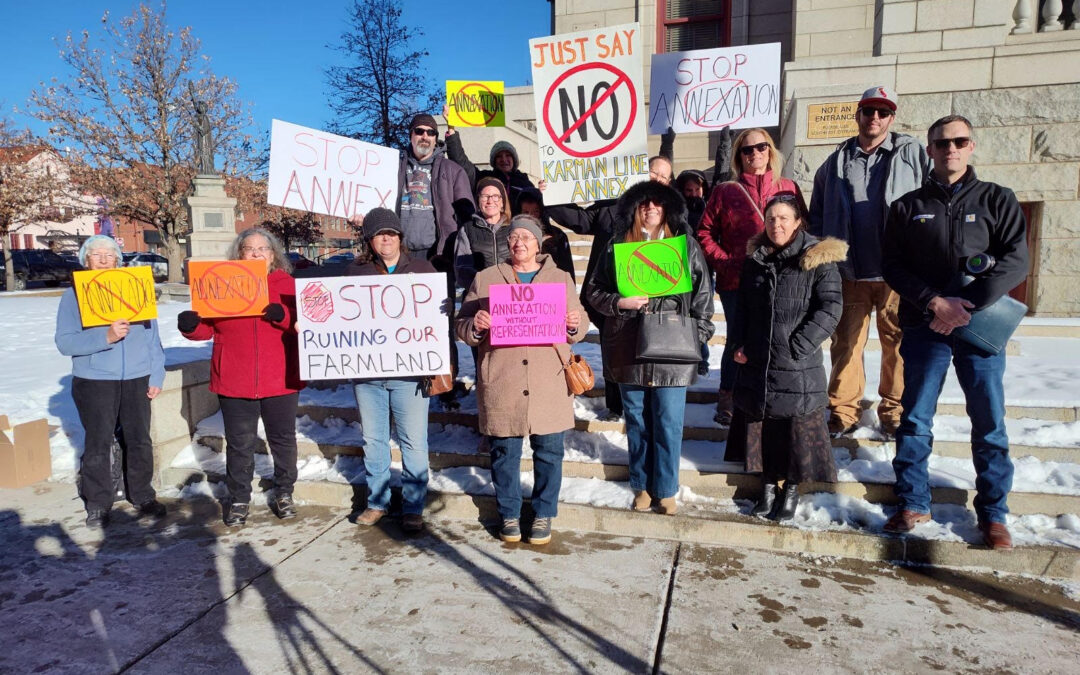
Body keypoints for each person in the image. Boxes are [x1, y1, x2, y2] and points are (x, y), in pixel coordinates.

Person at [881, 115, 1029, 549]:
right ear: (929, 150)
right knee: (915, 418)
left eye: (959, 141)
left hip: (980, 327)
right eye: (942, 142)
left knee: (988, 421)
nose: (951, 149)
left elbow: (1015, 260)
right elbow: (893, 266)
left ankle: (994, 514)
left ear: (971, 146)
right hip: (925, 325)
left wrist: (968, 306)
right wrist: (934, 302)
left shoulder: (997, 200)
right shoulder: (906, 207)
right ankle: (912, 501)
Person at [584, 180, 715, 515]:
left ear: (667, 208)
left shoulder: (683, 246)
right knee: (638, 421)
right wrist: (619, 302)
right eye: (644, 204)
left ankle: (667, 487)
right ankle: (642, 484)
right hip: (629, 344)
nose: (651, 209)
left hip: (672, 344)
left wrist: (697, 333)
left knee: (668, 420)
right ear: (634, 210)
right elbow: (594, 291)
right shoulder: (616, 246)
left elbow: (703, 294)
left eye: (657, 203)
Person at [456, 215, 587, 545]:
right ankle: (510, 513)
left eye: (526, 237)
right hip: (503, 378)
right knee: (504, 453)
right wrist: (476, 324)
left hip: (548, 381)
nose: (519, 243)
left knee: (549, 452)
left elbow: (580, 325)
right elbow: (461, 325)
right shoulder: (486, 279)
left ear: (539, 242)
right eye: (513, 237)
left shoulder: (560, 279)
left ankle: (544, 513)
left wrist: (574, 323)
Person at [809, 86, 930, 439]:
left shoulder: (911, 154)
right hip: (850, 272)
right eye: (868, 111)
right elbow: (817, 214)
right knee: (846, 343)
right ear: (858, 115)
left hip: (898, 271)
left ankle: (893, 411)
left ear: (891, 117)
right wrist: (824, 255)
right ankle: (844, 410)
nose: (874, 117)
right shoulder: (835, 162)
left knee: (898, 343)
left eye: (882, 111)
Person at [725, 195, 846, 521]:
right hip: (758, 359)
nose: (776, 225)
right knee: (762, 427)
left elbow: (831, 307)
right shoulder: (757, 259)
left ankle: (790, 489)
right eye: (771, 219)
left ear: (797, 222)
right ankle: (767, 486)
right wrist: (739, 343)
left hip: (797, 363)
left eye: (783, 218)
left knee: (793, 430)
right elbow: (745, 309)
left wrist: (800, 345)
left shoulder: (818, 260)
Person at [178, 228, 304, 527]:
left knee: (283, 439)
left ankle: (284, 491)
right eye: (250, 248)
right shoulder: (221, 280)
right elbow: (206, 328)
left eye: (264, 248)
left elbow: (307, 325)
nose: (257, 253)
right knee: (239, 443)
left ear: (273, 255)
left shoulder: (287, 285)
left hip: (280, 377)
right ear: (240, 253)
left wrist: (283, 316)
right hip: (235, 377)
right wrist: (190, 326)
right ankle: (239, 498)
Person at [546, 155, 676, 420]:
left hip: (654, 299)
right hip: (611, 297)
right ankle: (617, 406)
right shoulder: (615, 206)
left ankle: (649, 404)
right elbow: (580, 220)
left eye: (664, 176)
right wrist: (552, 194)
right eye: (654, 172)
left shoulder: (671, 215)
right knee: (614, 350)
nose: (658, 179)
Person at [55, 235, 167, 528]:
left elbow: (153, 338)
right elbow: (65, 343)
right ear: (86, 261)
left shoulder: (137, 290)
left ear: (119, 260)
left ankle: (143, 495)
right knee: (98, 442)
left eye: (110, 255)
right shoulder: (74, 296)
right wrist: (105, 337)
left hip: (137, 377)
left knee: (140, 440)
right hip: (94, 380)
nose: (104, 260)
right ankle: (98, 503)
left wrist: (156, 373)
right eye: (96, 255)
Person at [697, 128, 806, 427]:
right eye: (747, 150)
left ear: (770, 150)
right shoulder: (725, 191)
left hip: (781, 279)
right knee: (738, 339)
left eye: (761, 147)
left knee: (778, 336)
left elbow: (803, 231)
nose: (755, 153)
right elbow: (704, 232)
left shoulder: (788, 188)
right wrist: (725, 262)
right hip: (737, 281)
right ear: (738, 156)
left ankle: (770, 392)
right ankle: (728, 395)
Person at [346, 209, 441, 534]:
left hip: (409, 374)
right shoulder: (355, 273)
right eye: (378, 233)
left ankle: (413, 506)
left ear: (401, 237)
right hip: (368, 373)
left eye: (391, 232)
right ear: (369, 240)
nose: (386, 238)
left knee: (413, 441)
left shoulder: (422, 269)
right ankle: (377, 502)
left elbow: (438, 318)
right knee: (373, 440)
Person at [396, 113, 474, 265]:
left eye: (431, 132)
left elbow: (468, 216)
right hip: (398, 254)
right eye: (419, 131)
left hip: (439, 255)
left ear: (435, 138)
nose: (425, 136)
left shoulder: (453, 171)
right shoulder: (393, 167)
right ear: (410, 135)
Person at [454, 177, 513, 293]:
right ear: (478, 201)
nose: (490, 201)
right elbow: (462, 269)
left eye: (495, 196)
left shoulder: (514, 228)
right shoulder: (467, 229)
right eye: (485, 196)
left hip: (511, 294)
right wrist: (484, 287)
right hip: (479, 294)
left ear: (502, 202)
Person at [515, 187, 575, 281]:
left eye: (536, 211)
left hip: (550, 288)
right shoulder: (511, 237)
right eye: (526, 212)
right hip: (519, 287)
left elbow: (567, 270)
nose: (531, 216)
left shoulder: (557, 236)